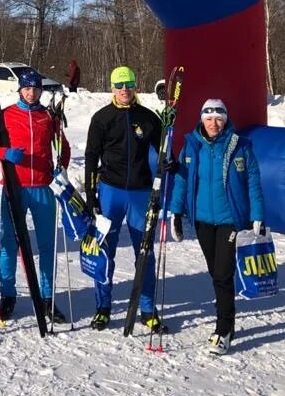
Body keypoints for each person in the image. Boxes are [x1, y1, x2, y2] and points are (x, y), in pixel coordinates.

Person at [167, 98, 265, 355]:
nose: (214, 124)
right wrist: (175, 213)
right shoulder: (191, 146)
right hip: (202, 220)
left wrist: (257, 215)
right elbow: (181, 181)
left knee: (223, 273)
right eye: (209, 119)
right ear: (202, 119)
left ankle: (224, 329)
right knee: (215, 272)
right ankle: (225, 314)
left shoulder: (239, 146)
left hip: (230, 220)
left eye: (218, 119)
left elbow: (253, 182)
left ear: (225, 120)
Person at [0, 70, 70, 324]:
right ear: (20, 89)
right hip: (15, 187)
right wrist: (6, 153)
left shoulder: (48, 116)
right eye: (27, 88)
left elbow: (63, 146)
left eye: (36, 89)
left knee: (47, 245)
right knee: (10, 243)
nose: (31, 93)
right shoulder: (6, 115)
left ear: (41, 90)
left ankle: (47, 299)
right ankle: (7, 296)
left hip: (43, 187)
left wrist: (60, 165)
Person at [83, 65, 167, 332]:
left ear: (135, 86)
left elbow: (165, 149)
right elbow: (90, 157)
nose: (124, 90)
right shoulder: (102, 118)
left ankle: (147, 308)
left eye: (128, 85)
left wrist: (168, 159)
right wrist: (90, 195)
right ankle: (103, 308)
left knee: (145, 253)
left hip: (140, 194)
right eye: (119, 85)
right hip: (111, 192)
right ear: (112, 88)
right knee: (104, 252)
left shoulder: (148, 117)